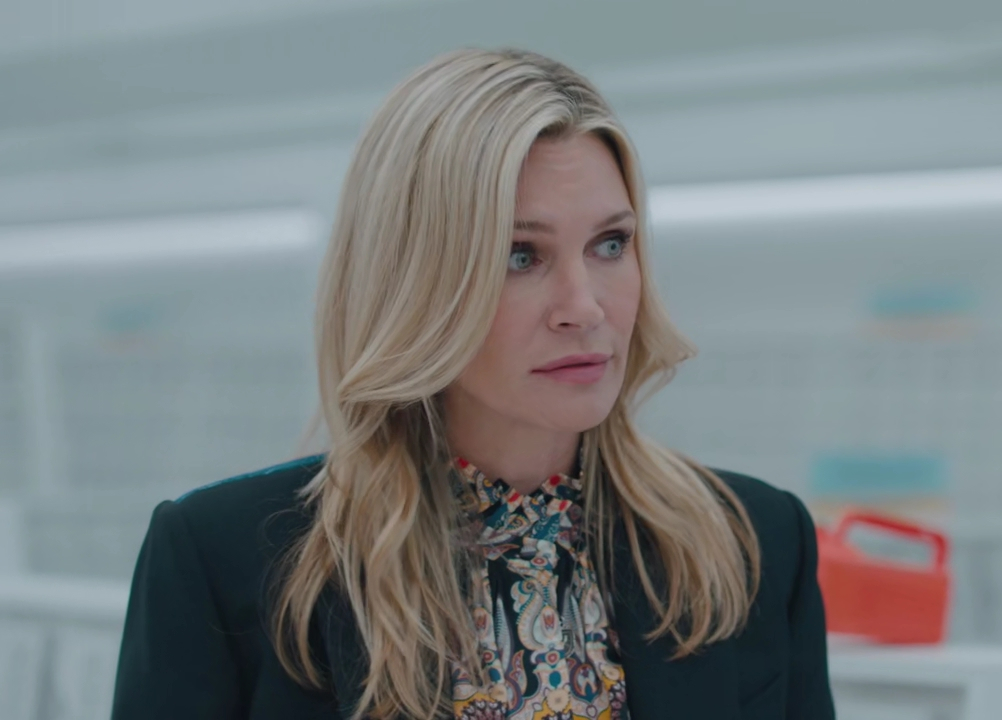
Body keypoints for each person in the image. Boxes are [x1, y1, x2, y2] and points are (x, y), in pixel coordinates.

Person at [110, 47, 835, 720]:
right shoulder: (226, 558)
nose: (584, 308)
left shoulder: (756, 540)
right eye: (521, 255)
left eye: (610, 244)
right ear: (414, 280)